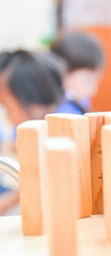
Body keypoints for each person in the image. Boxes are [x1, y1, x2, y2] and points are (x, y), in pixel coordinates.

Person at [0, 49, 64, 214]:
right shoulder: (24, 133)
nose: (8, 118)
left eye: (8, 108)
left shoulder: (59, 137)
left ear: (33, 103)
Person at [50, 31, 104, 114]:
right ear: (62, 75)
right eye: (87, 81)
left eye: (96, 80)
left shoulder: (81, 100)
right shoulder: (62, 112)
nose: (94, 90)